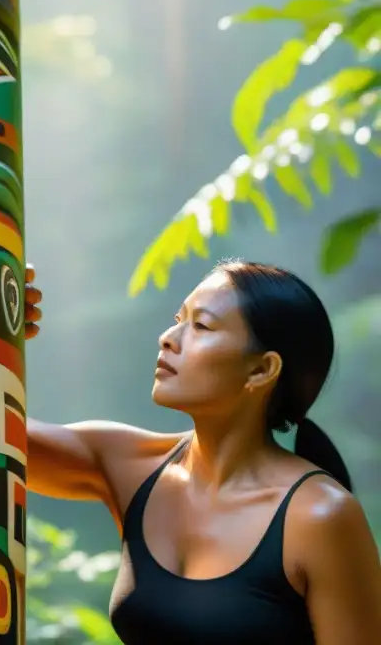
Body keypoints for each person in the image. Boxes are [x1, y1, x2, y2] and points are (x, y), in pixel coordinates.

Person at [20, 259, 381, 644]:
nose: (169, 337)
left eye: (201, 326)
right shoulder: (129, 465)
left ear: (261, 370)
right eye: (178, 318)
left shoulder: (319, 517)